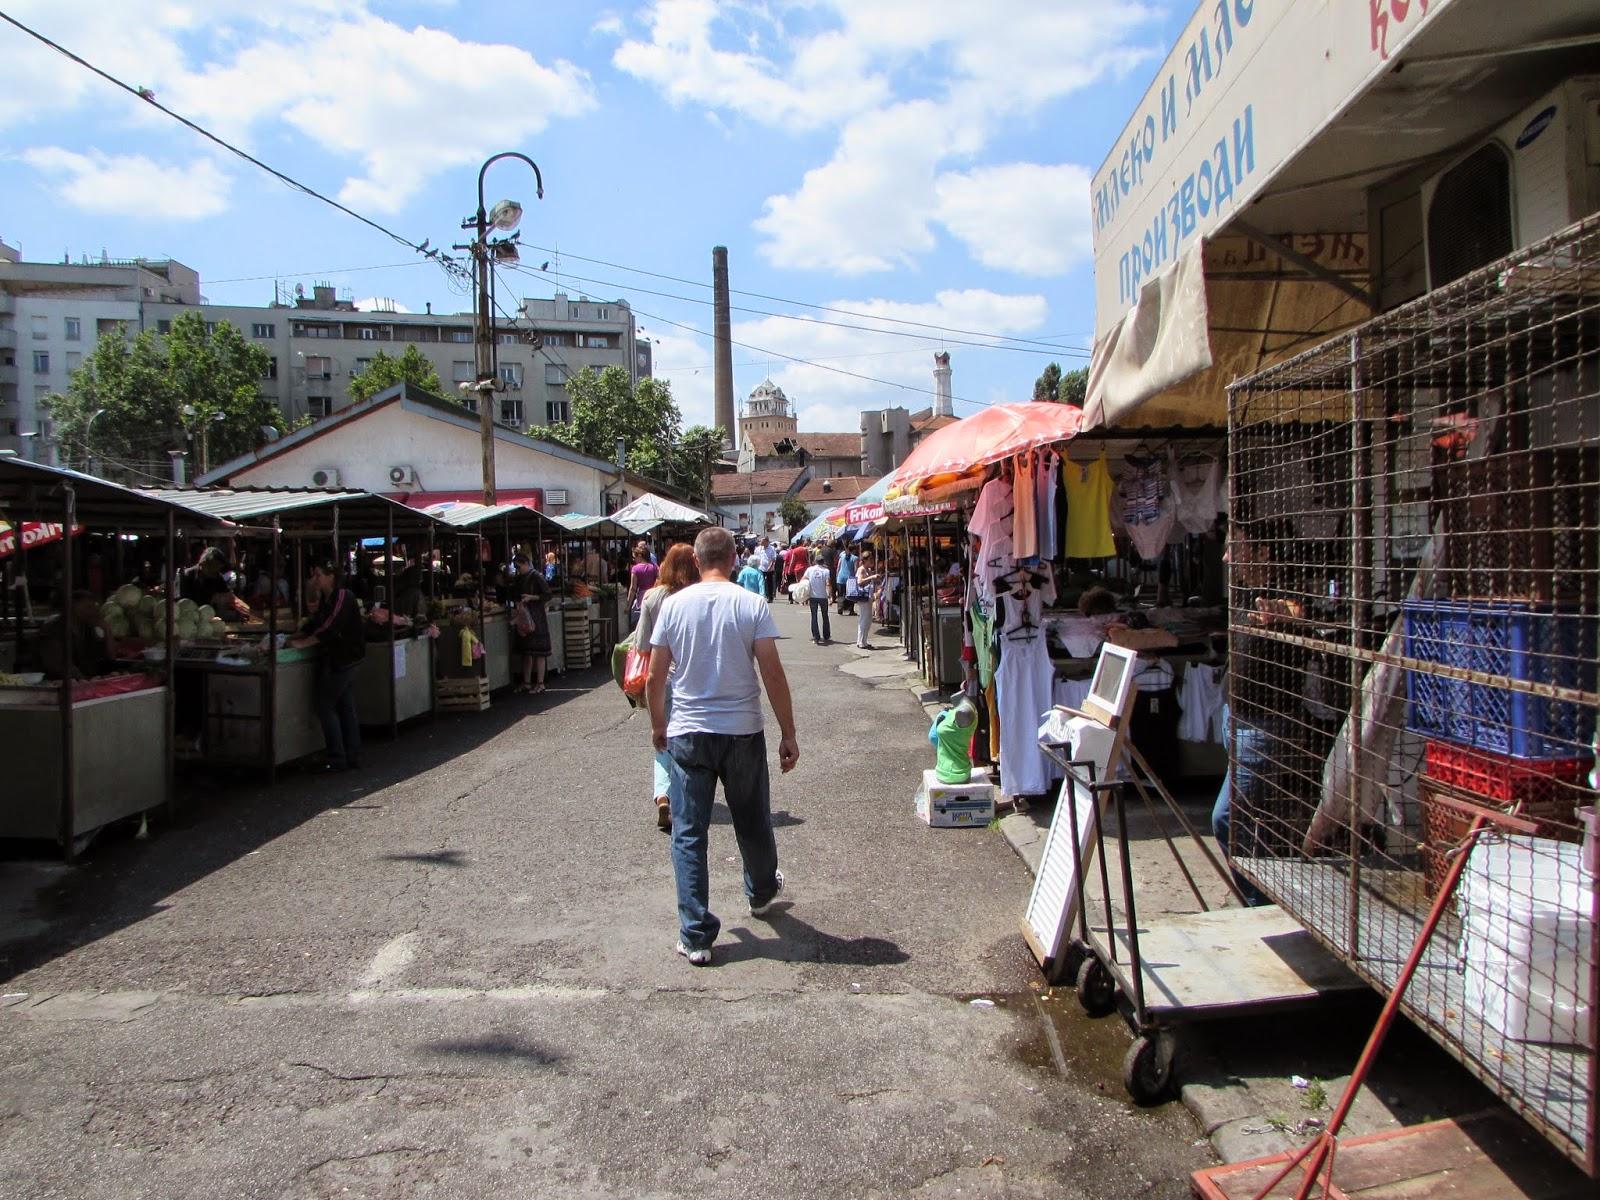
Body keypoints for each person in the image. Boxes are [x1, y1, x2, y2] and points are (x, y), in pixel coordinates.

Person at [644, 527, 799, 966]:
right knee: (752, 819)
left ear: (695, 561)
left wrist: (660, 726)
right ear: (734, 559)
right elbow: (772, 672)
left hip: (689, 731)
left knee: (689, 832)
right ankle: (762, 891)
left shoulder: (672, 606)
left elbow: (656, 678)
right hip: (743, 731)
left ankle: (695, 935)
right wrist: (788, 732)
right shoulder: (750, 603)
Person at [633, 544, 700, 831]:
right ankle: (685, 794)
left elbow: (641, 645)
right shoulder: (697, 596)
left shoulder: (652, 597)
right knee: (690, 738)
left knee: (662, 739)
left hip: (661, 677)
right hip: (693, 678)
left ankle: (663, 795)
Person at [290, 562, 367, 772]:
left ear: (331, 576)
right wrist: (298, 633)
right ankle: (352, 755)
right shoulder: (327, 599)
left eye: (318, 575)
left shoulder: (343, 596)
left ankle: (338, 757)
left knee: (325, 706)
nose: (315, 579)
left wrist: (304, 642)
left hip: (345, 659)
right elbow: (318, 622)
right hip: (341, 659)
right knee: (345, 705)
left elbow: (330, 626)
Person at [36, 590, 111, 680]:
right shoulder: (52, 630)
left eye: (93, 608)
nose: (92, 612)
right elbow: (58, 665)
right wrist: (84, 681)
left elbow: (108, 659)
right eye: (88, 607)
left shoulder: (88, 629)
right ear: (71, 606)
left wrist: (107, 630)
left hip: (87, 682)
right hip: (58, 684)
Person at [512, 560, 552, 694]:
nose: (518, 569)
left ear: (526, 563)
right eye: (516, 567)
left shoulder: (537, 576)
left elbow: (547, 595)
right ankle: (527, 682)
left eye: (519, 566)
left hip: (537, 617)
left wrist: (532, 597)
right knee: (527, 652)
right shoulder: (520, 578)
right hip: (525, 617)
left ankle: (540, 683)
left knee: (540, 652)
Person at [180, 546, 252, 619]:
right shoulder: (187, 576)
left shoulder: (217, 577)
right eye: (214, 568)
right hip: (190, 618)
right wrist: (211, 598)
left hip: (210, 618)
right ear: (204, 564)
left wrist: (246, 610)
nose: (216, 572)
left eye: (218, 569)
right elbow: (185, 602)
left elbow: (230, 596)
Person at [625, 542, 659, 630]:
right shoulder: (654, 567)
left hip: (641, 598)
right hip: (653, 597)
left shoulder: (635, 569)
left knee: (638, 623)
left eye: (634, 557)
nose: (634, 559)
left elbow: (633, 588)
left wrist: (628, 605)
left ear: (640, 556)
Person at [803, 550, 833, 644]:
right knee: (825, 616)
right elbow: (828, 583)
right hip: (823, 596)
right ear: (823, 561)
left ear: (815, 561)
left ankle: (816, 636)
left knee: (814, 616)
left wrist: (804, 594)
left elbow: (804, 580)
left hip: (813, 596)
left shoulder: (809, 570)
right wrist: (830, 596)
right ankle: (826, 635)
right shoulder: (826, 571)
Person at [854, 550, 882, 649]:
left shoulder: (868, 570)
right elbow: (859, 581)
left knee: (868, 619)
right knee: (864, 619)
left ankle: (864, 641)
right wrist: (871, 577)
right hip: (863, 597)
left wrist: (874, 576)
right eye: (870, 559)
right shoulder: (861, 569)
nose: (872, 561)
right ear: (865, 560)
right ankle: (860, 641)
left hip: (868, 596)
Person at [835, 544, 859, 616]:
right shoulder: (855, 558)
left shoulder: (842, 556)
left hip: (840, 577)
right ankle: (850, 610)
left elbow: (838, 567)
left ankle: (840, 608)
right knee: (850, 594)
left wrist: (837, 576)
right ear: (854, 550)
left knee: (840, 594)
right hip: (850, 578)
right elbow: (855, 569)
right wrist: (856, 578)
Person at [757, 536, 777, 601]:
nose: (761, 542)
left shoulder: (772, 548)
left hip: (769, 569)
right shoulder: (759, 549)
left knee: (769, 583)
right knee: (761, 582)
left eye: (762, 541)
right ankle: (763, 595)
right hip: (761, 568)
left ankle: (770, 597)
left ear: (766, 541)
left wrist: (770, 566)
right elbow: (757, 557)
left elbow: (773, 558)